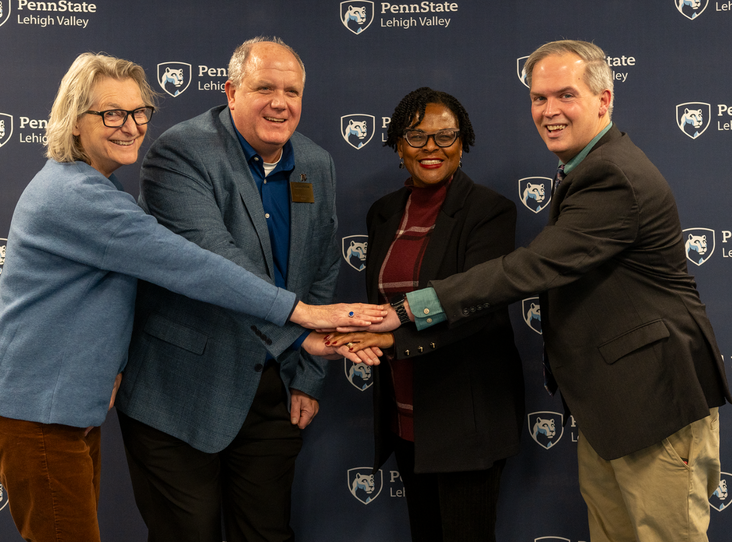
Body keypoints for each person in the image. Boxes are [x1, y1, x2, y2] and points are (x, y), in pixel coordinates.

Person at [0, 53, 381, 542]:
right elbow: (191, 263)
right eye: (111, 113)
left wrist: (109, 364)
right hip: (38, 411)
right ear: (74, 120)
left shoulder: (93, 188)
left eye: (138, 112)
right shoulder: (78, 196)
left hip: (61, 408)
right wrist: (300, 316)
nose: (130, 126)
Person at [361, 40, 731, 542]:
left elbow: (531, 267)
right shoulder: (583, 168)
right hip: (616, 406)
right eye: (538, 98)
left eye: (565, 95)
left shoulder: (612, 174)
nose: (549, 111)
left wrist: (410, 309)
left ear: (604, 100)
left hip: (655, 401)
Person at [115, 37, 353, 542]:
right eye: (264, 87)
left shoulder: (317, 162)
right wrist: (300, 332)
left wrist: (309, 376)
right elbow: (214, 261)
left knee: (266, 534)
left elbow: (322, 269)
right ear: (230, 91)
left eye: (291, 91)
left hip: (273, 390)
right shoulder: (180, 151)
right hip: (178, 391)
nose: (279, 102)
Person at [327, 88, 524, 541]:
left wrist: (395, 340)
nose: (431, 148)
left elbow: (478, 305)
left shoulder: (489, 211)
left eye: (445, 136)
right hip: (406, 414)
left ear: (463, 143)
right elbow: (378, 304)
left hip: (466, 418)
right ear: (398, 145)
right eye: (417, 137)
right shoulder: (383, 213)